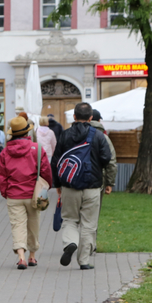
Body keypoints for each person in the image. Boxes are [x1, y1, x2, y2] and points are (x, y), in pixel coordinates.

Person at [51, 102, 112, 270]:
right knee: (89, 224)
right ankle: (84, 261)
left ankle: (70, 242)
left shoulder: (65, 135)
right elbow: (107, 158)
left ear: (74, 116)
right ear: (91, 118)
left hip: (70, 186)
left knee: (70, 219)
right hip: (92, 186)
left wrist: (57, 184)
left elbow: (55, 161)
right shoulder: (98, 136)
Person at [0, 116, 53, 269]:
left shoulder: (5, 152)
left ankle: (21, 257)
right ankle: (32, 257)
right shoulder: (37, 149)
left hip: (14, 195)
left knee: (17, 225)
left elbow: (2, 176)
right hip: (33, 194)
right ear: (27, 132)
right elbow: (46, 172)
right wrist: (46, 187)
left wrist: (5, 192)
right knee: (33, 225)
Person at [89, 109, 118, 193]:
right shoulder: (104, 137)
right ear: (99, 120)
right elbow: (111, 161)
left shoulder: (76, 134)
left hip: (76, 179)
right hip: (98, 179)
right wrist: (110, 182)